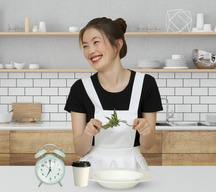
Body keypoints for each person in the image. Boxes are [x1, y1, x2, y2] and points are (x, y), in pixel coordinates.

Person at [65, 17, 162, 169]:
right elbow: (80, 149)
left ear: (117, 44)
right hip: (94, 169)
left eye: (96, 42)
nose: (90, 51)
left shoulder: (145, 84)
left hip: (133, 170)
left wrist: (146, 131)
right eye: (85, 46)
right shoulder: (80, 89)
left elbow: (148, 145)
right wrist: (87, 133)